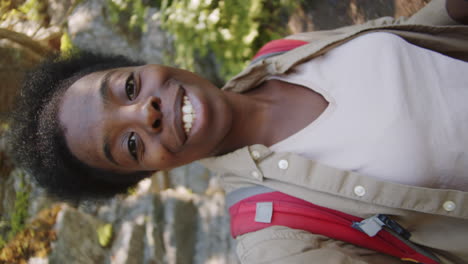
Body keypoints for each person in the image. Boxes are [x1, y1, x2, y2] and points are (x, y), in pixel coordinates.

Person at [7, 0, 468, 263]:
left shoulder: (279, 54)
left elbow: (421, 42)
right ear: (145, 173)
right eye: (130, 145)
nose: (144, 112)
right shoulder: (278, 242)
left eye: (128, 86)